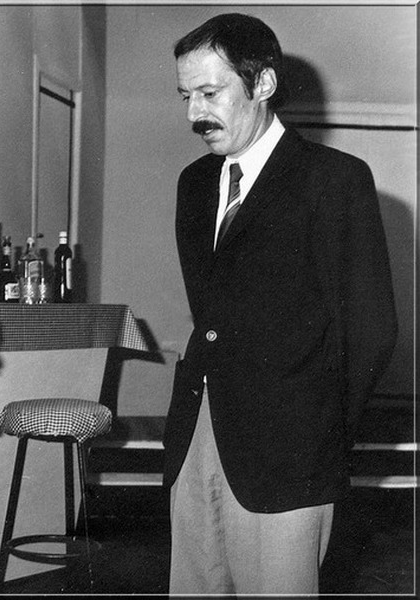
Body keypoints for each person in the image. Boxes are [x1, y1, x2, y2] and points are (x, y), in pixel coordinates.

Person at [164, 12, 397, 595]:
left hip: (290, 453)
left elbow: (371, 331)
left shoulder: (335, 180)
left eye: (210, 93)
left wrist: (317, 438)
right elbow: (213, 316)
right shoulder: (194, 184)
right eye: (186, 96)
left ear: (263, 83)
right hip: (197, 435)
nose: (194, 114)